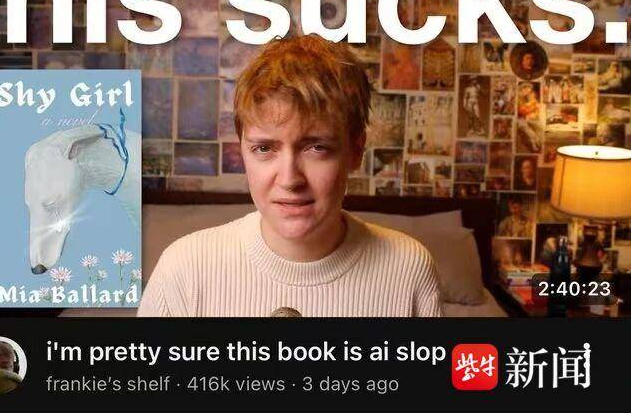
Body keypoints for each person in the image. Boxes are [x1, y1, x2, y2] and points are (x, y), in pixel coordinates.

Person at [138, 34, 442, 317]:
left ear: (355, 150)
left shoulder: (409, 267)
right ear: (242, 151)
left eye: (316, 148)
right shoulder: (184, 270)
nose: (289, 179)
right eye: (264, 148)